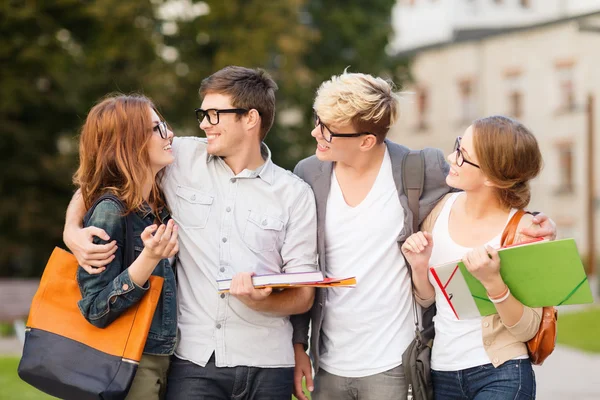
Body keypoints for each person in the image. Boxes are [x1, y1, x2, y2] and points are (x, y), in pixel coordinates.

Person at [291, 72, 556, 400]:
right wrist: (298, 344)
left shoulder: (420, 169)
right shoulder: (307, 175)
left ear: (366, 140)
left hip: (397, 363)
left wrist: (532, 221)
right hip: (332, 362)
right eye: (319, 119)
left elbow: (494, 179)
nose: (316, 132)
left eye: (329, 128)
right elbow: (299, 263)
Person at [63, 67, 318, 399]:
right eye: (203, 114)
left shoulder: (294, 193)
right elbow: (111, 170)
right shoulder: (179, 156)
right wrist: (71, 228)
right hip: (193, 362)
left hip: (270, 364)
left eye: (213, 114)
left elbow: (304, 294)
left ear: (250, 118)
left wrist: (263, 301)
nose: (203, 124)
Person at [401, 116, 543, 399]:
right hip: (443, 373)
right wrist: (419, 267)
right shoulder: (439, 212)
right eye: (458, 146)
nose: (451, 158)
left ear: (491, 176)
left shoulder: (524, 231)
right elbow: (429, 299)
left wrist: (493, 283)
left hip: (501, 372)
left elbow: (528, 327)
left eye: (463, 156)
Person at [74, 94, 178, 399]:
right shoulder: (110, 211)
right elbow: (95, 308)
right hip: (131, 364)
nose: (169, 134)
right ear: (129, 143)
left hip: (166, 358)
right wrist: (149, 258)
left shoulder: (157, 204)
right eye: (157, 129)